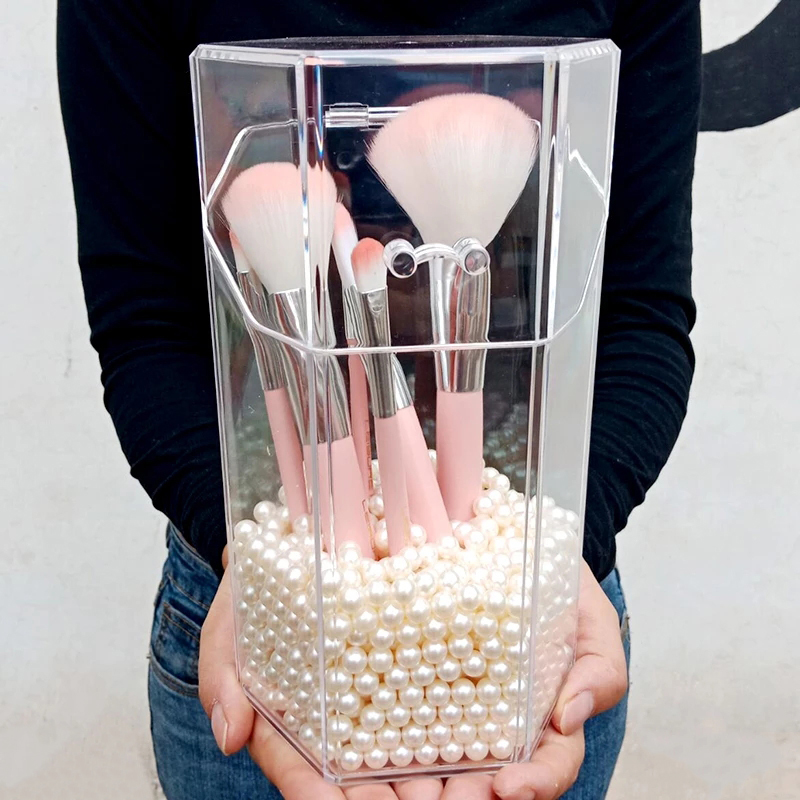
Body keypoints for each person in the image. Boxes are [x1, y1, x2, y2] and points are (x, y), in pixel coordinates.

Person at [57, 0, 699, 797]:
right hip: (257, 610)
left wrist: (560, 563)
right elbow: (146, 326)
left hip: (540, 615)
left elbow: (641, 317)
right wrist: (247, 559)